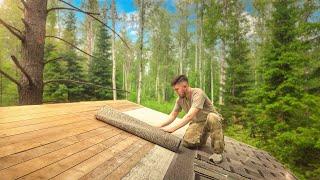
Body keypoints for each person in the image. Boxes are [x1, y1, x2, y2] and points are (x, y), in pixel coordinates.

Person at [156, 75, 225, 163]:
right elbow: (172, 115)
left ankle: (218, 152)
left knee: (213, 117)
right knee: (187, 143)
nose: (176, 92)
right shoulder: (180, 100)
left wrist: (171, 129)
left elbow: (189, 116)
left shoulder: (198, 93)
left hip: (210, 121)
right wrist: (158, 126)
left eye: (177, 89)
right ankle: (203, 137)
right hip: (198, 123)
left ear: (185, 86)